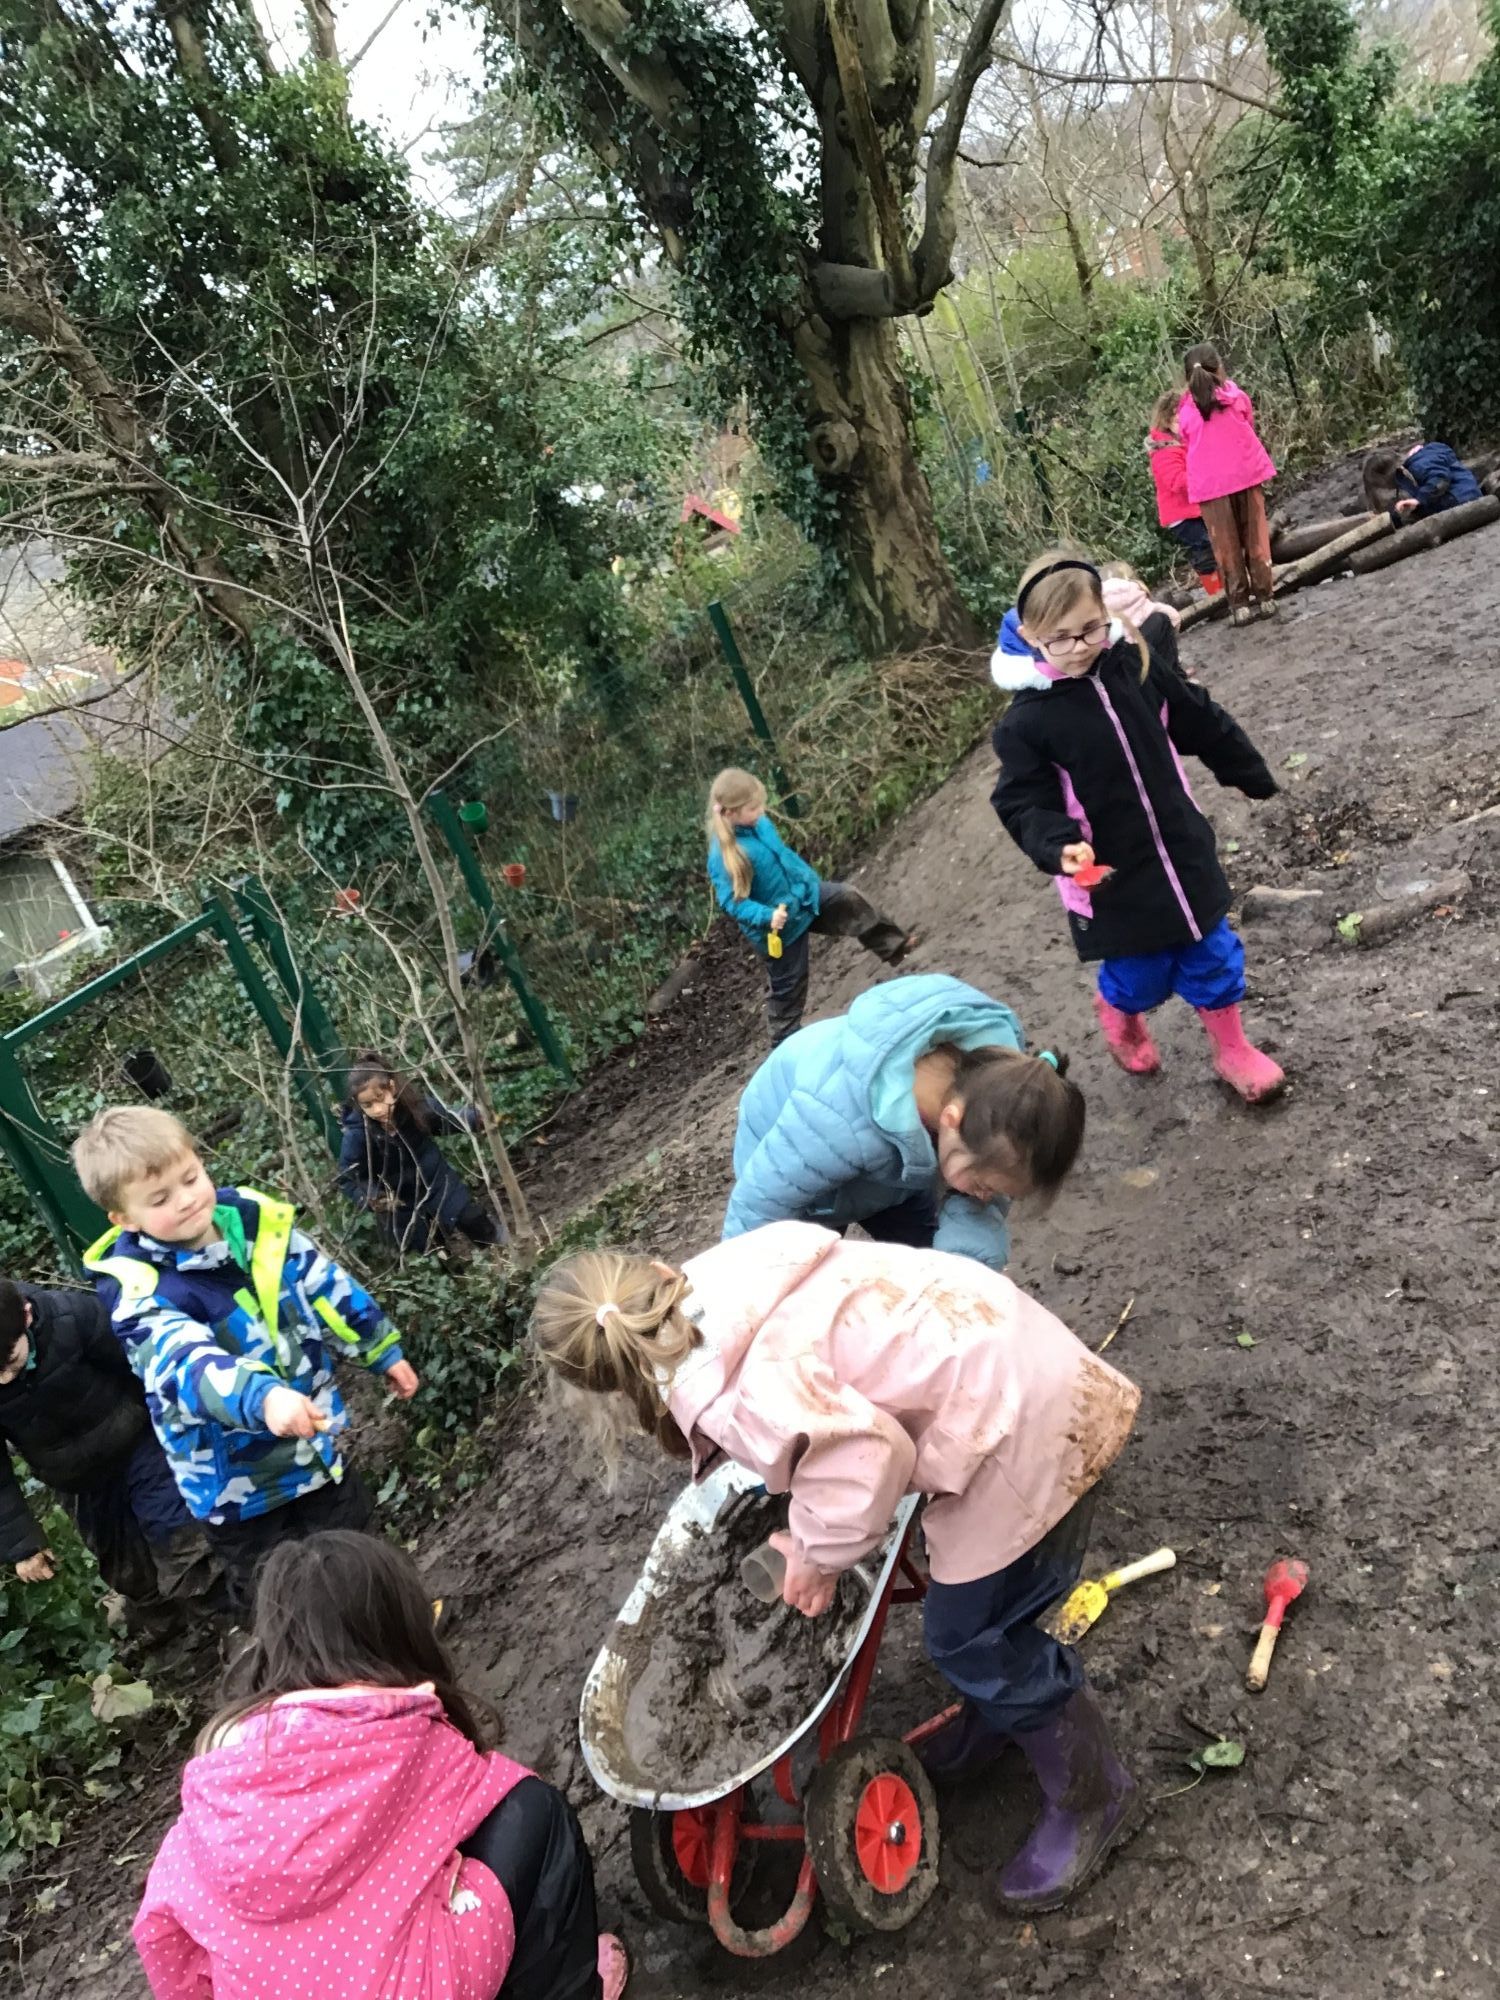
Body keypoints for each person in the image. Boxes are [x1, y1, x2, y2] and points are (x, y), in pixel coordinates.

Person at [531, 1221, 1142, 1914]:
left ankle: (1095, 1795)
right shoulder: (713, 1278)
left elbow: (871, 1457)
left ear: (611, 1388)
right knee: (978, 1616)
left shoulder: (742, 1396)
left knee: (971, 1635)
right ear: (646, 1268)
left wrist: (813, 1554)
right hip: (994, 1343)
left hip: (1018, 1426)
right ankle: (997, 1716)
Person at [133, 1532, 627, 2000]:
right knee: (536, 1811)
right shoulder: (401, 1727)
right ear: (397, 1632)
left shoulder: (213, 1785)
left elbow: (161, 1941)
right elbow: (492, 1784)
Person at [73, 1106, 419, 1617]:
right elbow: (186, 1363)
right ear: (125, 1218)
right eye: (161, 1198)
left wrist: (379, 1348)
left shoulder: (259, 1225)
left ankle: (395, 1634)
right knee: (282, 1600)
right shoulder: (139, 1292)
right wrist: (263, 1397)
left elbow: (324, 1286)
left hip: (314, 1448)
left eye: (190, 1178)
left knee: (358, 1555)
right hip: (237, 1489)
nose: (188, 1199)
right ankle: (324, 1684)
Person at [990, 552, 1285, 1102]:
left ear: (1105, 614)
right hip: (1109, 877)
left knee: (1213, 954)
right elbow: (1023, 801)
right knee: (1141, 977)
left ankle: (1232, 1049)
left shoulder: (1136, 668)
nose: (1079, 646)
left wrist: (1244, 768)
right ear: (1031, 636)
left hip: (1181, 847)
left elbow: (1195, 714)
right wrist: (1060, 849)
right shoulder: (1027, 723)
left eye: (1090, 629)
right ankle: (1119, 1010)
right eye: (1061, 637)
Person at [722, 971, 1084, 1272]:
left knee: (932, 1261)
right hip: (800, 1183)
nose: (986, 1197)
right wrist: (739, 1303)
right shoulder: (835, 1118)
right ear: (951, 1119)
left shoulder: (996, 1106)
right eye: (986, 1186)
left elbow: (976, 1203)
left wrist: (964, 1280)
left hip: (896, 1173)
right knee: (803, 1279)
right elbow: (758, 1206)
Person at [0, 1277, 223, 1630]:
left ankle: (228, 1619)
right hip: (76, 1479)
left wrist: (187, 1424)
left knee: (178, 1534)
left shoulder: (73, 1318)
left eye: (9, 1361)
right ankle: (172, 1629)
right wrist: (22, 1545)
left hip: (138, 1441)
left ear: (27, 1317)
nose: (3, 1379)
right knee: (125, 1568)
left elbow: (140, 1366)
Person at [705, 767, 915, 1047]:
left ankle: (896, 947)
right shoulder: (725, 855)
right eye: (753, 808)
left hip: (804, 897)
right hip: (779, 928)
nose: (761, 811)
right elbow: (733, 902)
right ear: (730, 813)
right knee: (789, 987)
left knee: (849, 900)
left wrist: (805, 879)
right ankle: (784, 1041)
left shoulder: (759, 825)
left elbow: (783, 857)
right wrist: (768, 917)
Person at [340, 1052, 505, 1258]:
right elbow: (349, 1177)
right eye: (368, 1106)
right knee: (430, 1250)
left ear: (391, 1087)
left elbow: (446, 1119)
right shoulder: (357, 1135)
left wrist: (476, 1119)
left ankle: (501, 1251)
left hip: (436, 1180)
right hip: (401, 1202)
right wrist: (374, 1197)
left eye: (380, 1099)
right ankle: (457, 1275)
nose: (378, 1109)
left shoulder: (413, 1106)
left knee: (470, 1217)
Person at [1177, 344, 1278, 627]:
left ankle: (1240, 605)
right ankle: (1266, 597)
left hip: (1211, 489)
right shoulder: (1236, 397)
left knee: (1226, 548)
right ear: (1219, 367)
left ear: (1187, 377)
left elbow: (1186, 441)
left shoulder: (1185, 412)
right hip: (1246, 476)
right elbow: (1248, 421)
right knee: (1256, 538)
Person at [1147, 390, 1222, 595]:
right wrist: (1203, 475)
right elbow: (1176, 482)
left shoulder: (1182, 443)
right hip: (1181, 515)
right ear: (1167, 419)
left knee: (1213, 543)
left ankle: (1221, 585)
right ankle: (1215, 591)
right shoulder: (1164, 450)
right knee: (1205, 547)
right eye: (1179, 420)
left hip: (1193, 509)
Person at [1362, 441, 1482, 523]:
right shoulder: (1407, 472)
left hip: (1462, 497)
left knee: (1420, 511)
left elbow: (1440, 480)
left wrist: (1419, 500)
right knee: (1414, 511)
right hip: (1460, 495)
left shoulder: (1419, 465)